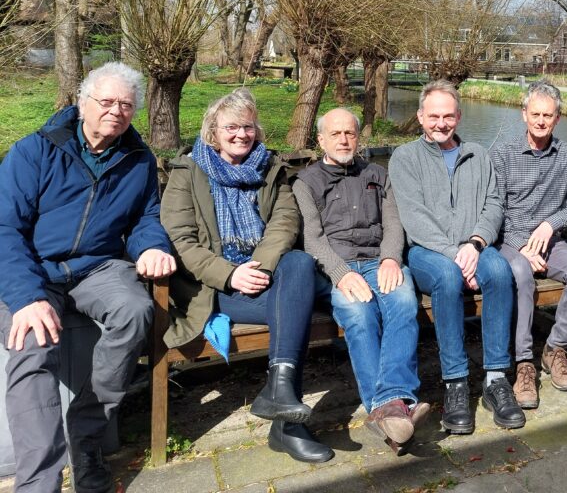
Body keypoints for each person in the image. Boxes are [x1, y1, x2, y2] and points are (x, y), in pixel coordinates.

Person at [0, 62, 176, 493]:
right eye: (107, 101)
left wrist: (152, 246)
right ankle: (38, 481)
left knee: (136, 310)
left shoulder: (137, 160)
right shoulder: (35, 151)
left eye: (126, 105)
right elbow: (5, 227)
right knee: (31, 341)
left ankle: (87, 438)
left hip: (96, 267)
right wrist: (25, 298)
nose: (116, 111)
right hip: (35, 269)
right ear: (83, 104)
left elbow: (145, 217)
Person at [161, 89, 333, 464]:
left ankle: (279, 394)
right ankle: (287, 426)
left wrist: (259, 267)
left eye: (248, 127)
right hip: (214, 288)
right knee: (296, 306)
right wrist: (231, 274)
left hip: (264, 275)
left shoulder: (270, 167)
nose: (241, 134)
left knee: (299, 263)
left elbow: (285, 222)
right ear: (213, 131)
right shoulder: (187, 172)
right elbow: (181, 242)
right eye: (231, 127)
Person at [389, 80, 525, 434]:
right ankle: (456, 382)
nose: (441, 123)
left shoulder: (478, 155)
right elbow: (413, 217)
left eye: (448, 116)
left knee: (500, 272)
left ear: (459, 117)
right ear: (420, 117)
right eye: (434, 116)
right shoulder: (405, 158)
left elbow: (494, 203)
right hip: (427, 251)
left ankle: (496, 379)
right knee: (447, 277)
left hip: (474, 246)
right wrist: (456, 255)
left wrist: (476, 243)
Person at [294, 108, 429, 453]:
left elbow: (393, 223)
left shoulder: (378, 175)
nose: (343, 140)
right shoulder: (306, 183)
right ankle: (393, 409)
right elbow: (312, 240)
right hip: (335, 268)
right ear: (321, 140)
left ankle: (388, 406)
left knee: (403, 302)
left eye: (350, 133)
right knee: (359, 314)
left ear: (358, 138)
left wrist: (391, 258)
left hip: (377, 260)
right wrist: (340, 274)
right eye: (335, 134)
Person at [490, 81, 567, 408]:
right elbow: (494, 208)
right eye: (535, 114)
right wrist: (522, 246)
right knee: (521, 275)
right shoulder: (502, 155)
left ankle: (555, 348)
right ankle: (523, 363)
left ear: (557, 118)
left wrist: (551, 224)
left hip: (551, 242)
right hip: (510, 241)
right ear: (524, 114)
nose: (541, 121)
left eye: (548, 115)